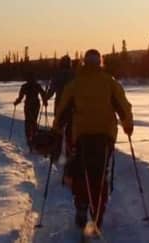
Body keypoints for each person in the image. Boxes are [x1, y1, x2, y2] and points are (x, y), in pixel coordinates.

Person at [53, 48, 133, 231]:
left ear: (83, 63)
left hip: (81, 136)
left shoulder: (76, 84)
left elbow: (63, 108)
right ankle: (98, 214)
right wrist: (128, 125)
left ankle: (82, 206)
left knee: (81, 172)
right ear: (100, 63)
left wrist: (57, 128)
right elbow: (123, 106)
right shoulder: (110, 83)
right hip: (105, 136)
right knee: (100, 174)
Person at [47, 55, 75, 163]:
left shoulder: (57, 75)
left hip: (59, 107)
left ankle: (55, 155)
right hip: (72, 108)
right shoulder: (74, 75)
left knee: (58, 131)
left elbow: (52, 90)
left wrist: (45, 98)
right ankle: (70, 156)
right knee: (70, 132)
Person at [13, 72, 47, 151]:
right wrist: (45, 102)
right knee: (34, 121)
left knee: (28, 122)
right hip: (36, 105)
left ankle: (29, 139)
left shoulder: (24, 86)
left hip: (28, 105)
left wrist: (16, 102)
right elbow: (43, 94)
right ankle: (35, 138)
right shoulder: (37, 85)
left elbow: (20, 97)